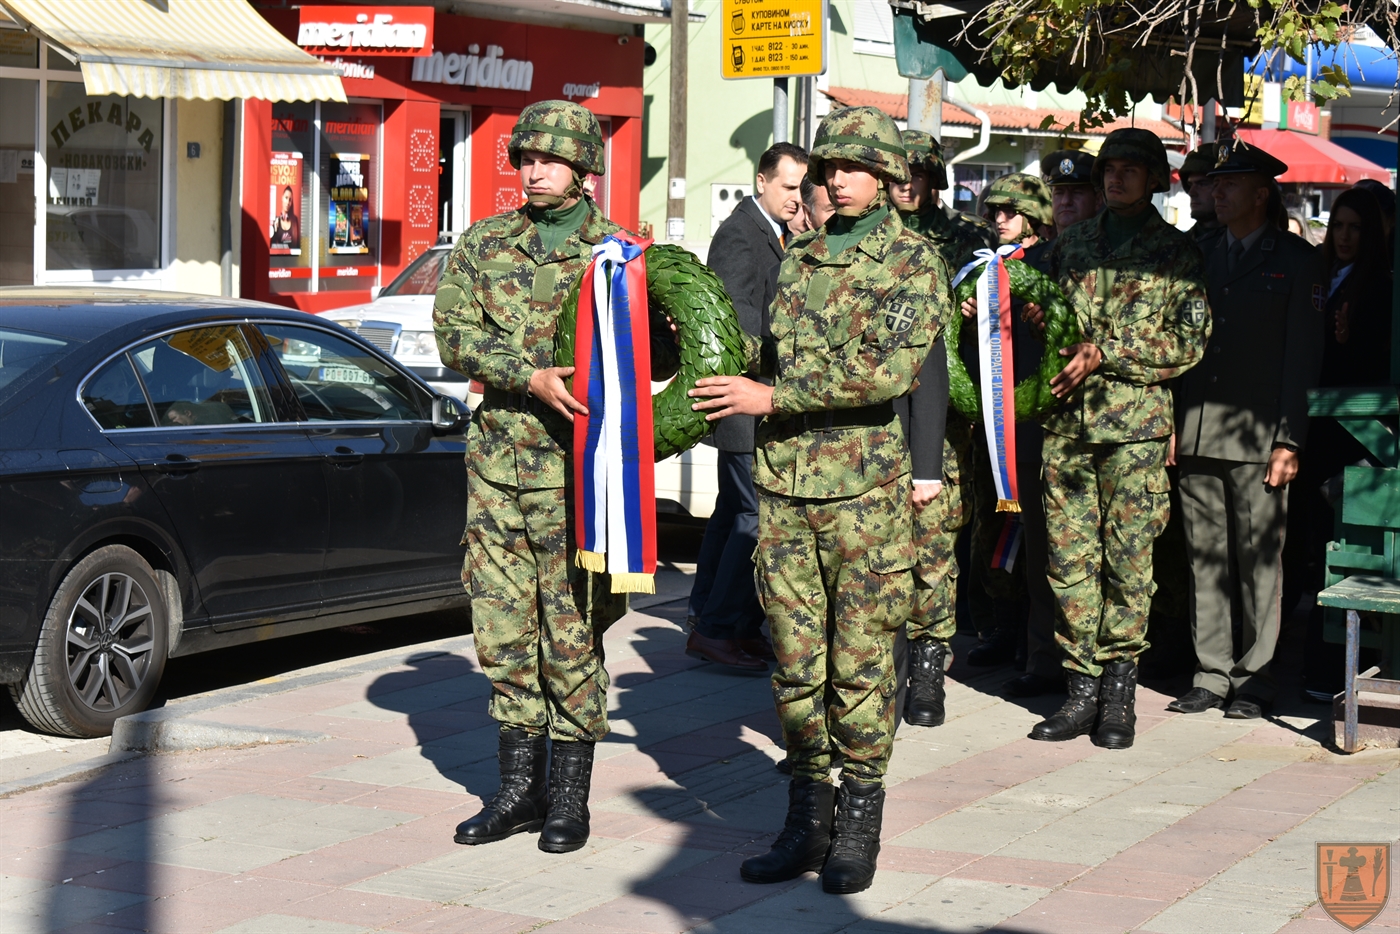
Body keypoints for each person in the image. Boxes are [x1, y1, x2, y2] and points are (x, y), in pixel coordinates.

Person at [689, 106, 946, 895]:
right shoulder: (800, 255)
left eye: (854, 167)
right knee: (796, 662)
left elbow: (887, 371)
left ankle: (857, 828)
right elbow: (770, 349)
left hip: (861, 493)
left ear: (887, 175)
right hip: (786, 488)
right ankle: (806, 820)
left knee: (860, 663)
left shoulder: (912, 260)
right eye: (831, 167)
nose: (838, 180)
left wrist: (771, 397)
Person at [433, 100, 677, 854]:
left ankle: (570, 799)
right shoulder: (485, 243)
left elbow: (654, 362)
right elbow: (453, 335)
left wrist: (662, 340)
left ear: (583, 168)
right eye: (527, 158)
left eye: (551, 159)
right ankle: (517, 793)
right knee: (502, 632)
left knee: (571, 633)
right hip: (498, 472)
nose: (535, 171)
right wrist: (525, 374)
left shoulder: (622, 253)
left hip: (580, 478)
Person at [1029, 128, 1210, 749]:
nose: (1116, 177)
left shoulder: (1176, 252)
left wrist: (1105, 351)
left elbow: (1188, 341)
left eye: (1131, 169)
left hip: (1134, 432)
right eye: (1109, 168)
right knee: (1069, 561)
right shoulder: (1072, 244)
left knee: (1129, 563)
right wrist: (1037, 317)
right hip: (1067, 428)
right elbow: (1053, 323)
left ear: (1156, 179)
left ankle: (1118, 696)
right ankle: (1080, 691)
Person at [1168, 139, 1325, 719]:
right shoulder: (1201, 254)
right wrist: (1173, 424)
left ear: (1261, 194)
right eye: (1215, 183)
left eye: (1230, 183)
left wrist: (1289, 439)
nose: (1218, 192)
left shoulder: (1297, 260)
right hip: (1198, 430)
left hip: (1259, 439)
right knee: (1204, 556)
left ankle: (1256, 677)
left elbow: (1301, 359)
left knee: (1259, 563)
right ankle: (1211, 673)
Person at [687, 142, 808, 673]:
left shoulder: (775, 233)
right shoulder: (742, 234)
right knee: (752, 520)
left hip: (753, 403)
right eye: (788, 186)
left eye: (803, 188)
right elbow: (737, 328)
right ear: (762, 181)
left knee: (731, 515)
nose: (796, 197)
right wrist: (799, 351)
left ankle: (718, 621)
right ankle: (716, 629)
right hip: (743, 401)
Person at [997, 151, 1100, 699]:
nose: (1066, 202)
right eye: (1059, 194)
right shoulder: (1030, 263)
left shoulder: (1108, 259)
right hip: (1039, 421)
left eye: (1078, 192)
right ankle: (1043, 659)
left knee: (1097, 553)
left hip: (1102, 425)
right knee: (1041, 548)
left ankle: (1096, 665)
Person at [1285, 186, 1394, 700]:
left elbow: (1371, 361)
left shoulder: (1379, 286)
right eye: (1339, 226)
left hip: (1353, 437)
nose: (1345, 236)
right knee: (1313, 545)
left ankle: (1332, 670)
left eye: (1356, 228)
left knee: (1346, 550)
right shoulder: (1321, 275)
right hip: (1313, 431)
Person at [964, 172, 1055, 670]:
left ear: (1034, 216)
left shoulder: (1049, 264)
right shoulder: (984, 266)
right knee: (992, 521)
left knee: (1033, 529)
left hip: (1033, 416)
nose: (999, 219)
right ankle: (1002, 623)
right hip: (990, 416)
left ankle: (1031, 634)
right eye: (993, 211)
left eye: (1010, 211)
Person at [889, 129, 959, 728]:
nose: (906, 184)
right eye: (898, 173)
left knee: (932, 556)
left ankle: (929, 672)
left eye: (918, 173)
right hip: (877, 432)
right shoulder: (867, 239)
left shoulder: (965, 242)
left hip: (939, 425)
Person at [1179, 143, 1223, 251]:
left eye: (1202, 184)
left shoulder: (1241, 244)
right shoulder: (1177, 244)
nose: (1192, 192)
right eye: (1190, 185)